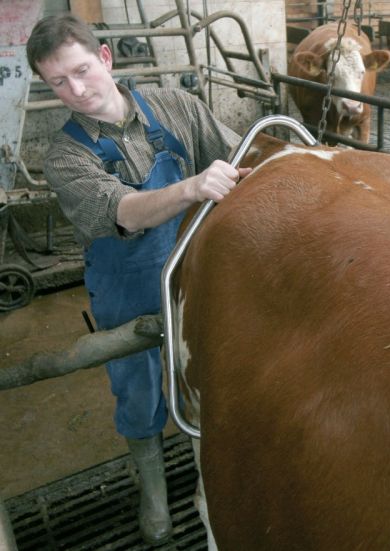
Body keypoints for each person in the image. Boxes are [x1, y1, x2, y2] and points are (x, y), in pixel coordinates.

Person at [26, 14, 251, 546]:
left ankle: (210, 476)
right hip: (128, 289)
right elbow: (124, 211)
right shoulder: (64, 155)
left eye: (82, 70)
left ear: (105, 58)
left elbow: (243, 158)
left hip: (200, 274)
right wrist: (193, 186)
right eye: (59, 82)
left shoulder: (178, 106)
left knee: (213, 378)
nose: (76, 90)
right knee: (139, 389)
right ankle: (153, 490)